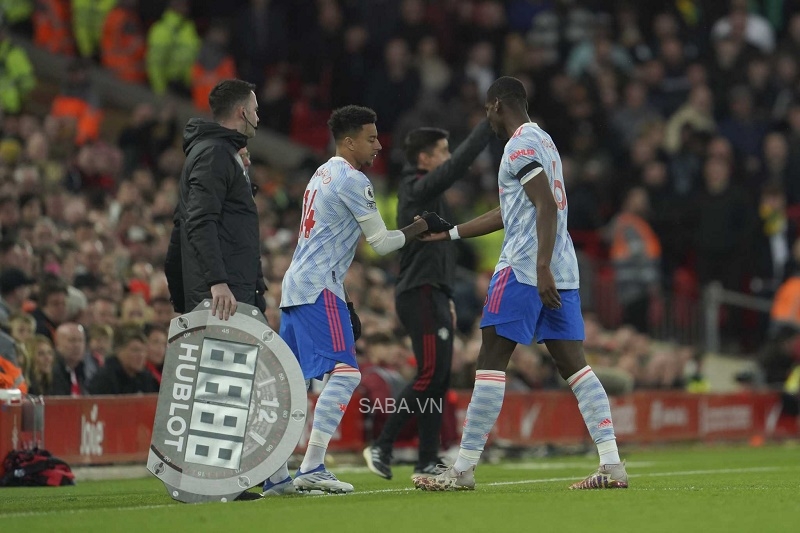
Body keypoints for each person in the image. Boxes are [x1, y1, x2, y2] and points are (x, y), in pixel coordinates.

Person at [414, 77, 628, 491]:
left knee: (490, 362)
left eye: (486, 111)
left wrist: (540, 265)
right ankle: (612, 464)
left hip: (526, 269)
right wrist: (452, 233)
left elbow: (545, 205)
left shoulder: (518, 145)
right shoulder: (544, 142)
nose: (486, 120)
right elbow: (513, 209)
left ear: (496, 105)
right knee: (576, 367)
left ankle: (462, 470)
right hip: (560, 271)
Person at [262, 105, 451, 496]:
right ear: (349, 142)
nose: (379, 145)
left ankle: (277, 473)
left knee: (293, 383)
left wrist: (345, 301)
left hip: (297, 286)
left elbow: (327, 242)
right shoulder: (353, 180)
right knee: (346, 374)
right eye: (371, 138)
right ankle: (312, 466)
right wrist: (420, 226)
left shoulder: (321, 173)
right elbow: (381, 244)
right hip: (318, 287)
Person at [363, 119, 493, 480]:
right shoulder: (416, 187)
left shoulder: (429, 193)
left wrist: (447, 293)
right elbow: (456, 167)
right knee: (428, 374)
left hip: (434, 291)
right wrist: (486, 128)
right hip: (418, 291)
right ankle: (382, 445)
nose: (448, 158)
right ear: (425, 157)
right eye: (443, 152)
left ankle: (426, 460)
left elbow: (442, 252)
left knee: (438, 380)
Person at [165, 79, 267, 319]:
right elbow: (199, 221)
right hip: (221, 298)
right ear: (242, 112)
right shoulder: (215, 154)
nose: (258, 118)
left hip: (227, 293)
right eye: (255, 110)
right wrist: (218, 282)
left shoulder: (223, 153)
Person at [86, 323, 158, 394]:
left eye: (144, 351)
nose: (141, 356)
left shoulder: (146, 378)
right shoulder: (104, 379)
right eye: (135, 350)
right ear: (119, 351)